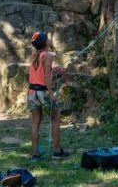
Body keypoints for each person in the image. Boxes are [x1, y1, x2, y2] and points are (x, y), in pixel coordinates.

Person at [27, 31, 69, 161]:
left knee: (35, 121)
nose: (49, 39)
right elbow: (46, 77)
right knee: (55, 118)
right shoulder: (48, 55)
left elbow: (40, 73)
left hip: (32, 93)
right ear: (45, 42)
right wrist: (51, 94)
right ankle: (57, 151)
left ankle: (35, 154)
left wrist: (53, 71)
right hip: (43, 93)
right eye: (47, 38)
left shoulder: (34, 55)